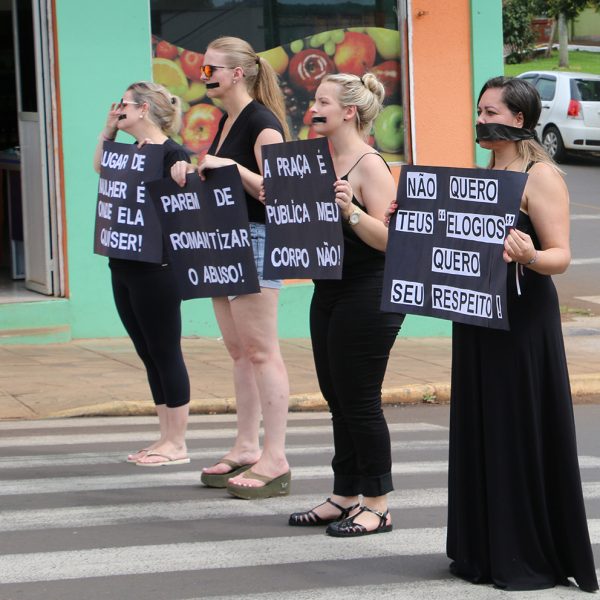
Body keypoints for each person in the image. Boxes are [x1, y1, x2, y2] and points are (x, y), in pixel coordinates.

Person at [446, 76, 598, 592]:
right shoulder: (487, 170)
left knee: (516, 424)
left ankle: (526, 551)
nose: (481, 118)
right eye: (479, 108)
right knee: (482, 422)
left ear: (518, 120)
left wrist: (529, 255)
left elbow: (560, 255)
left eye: (491, 111)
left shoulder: (541, 175)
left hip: (521, 317)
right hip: (477, 315)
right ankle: (482, 548)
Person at [171, 36, 291, 499]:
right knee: (239, 352)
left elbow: (280, 192)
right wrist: (193, 169)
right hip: (225, 242)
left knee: (262, 352)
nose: (205, 77)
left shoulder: (263, 123)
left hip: (256, 242)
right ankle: (246, 446)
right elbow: (219, 177)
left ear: (237, 74)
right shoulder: (226, 120)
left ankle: (275, 455)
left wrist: (230, 168)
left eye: (211, 70)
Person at [287, 73, 404, 536]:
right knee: (337, 398)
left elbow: (394, 241)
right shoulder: (317, 159)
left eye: (322, 101)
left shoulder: (370, 164)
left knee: (359, 401)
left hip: (369, 290)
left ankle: (378, 503)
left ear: (348, 112)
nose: (312, 108)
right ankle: (344, 494)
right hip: (329, 287)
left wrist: (351, 211)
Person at [93, 81, 191, 467]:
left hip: (157, 268)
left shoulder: (171, 152)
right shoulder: (127, 151)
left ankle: (178, 443)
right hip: (123, 263)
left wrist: (185, 173)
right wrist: (109, 129)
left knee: (165, 350)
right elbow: (101, 166)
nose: (119, 108)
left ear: (144, 110)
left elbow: (186, 195)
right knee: (147, 352)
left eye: (125, 104)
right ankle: (164, 436)